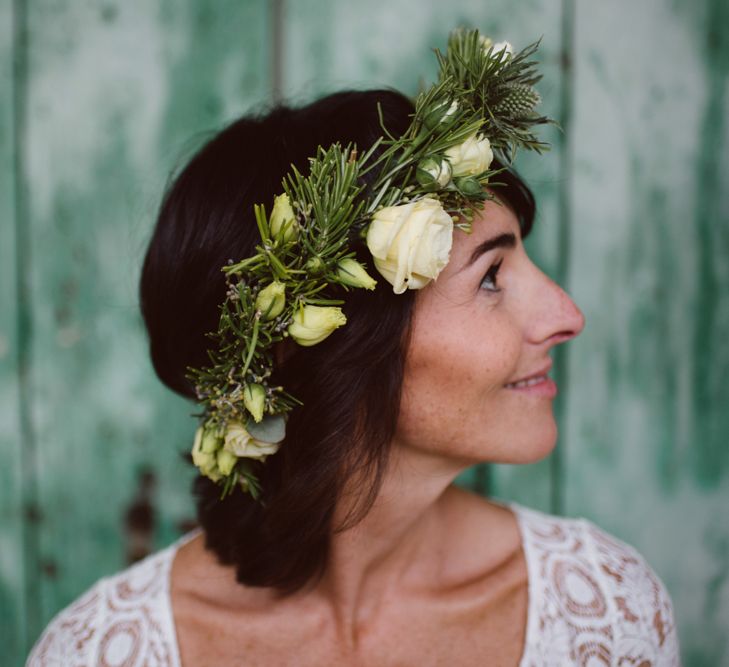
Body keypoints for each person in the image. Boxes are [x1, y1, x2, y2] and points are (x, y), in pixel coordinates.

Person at [27, 33, 681, 667]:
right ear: (302, 346)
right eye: (488, 277)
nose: (566, 316)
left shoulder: (602, 612)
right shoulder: (101, 650)